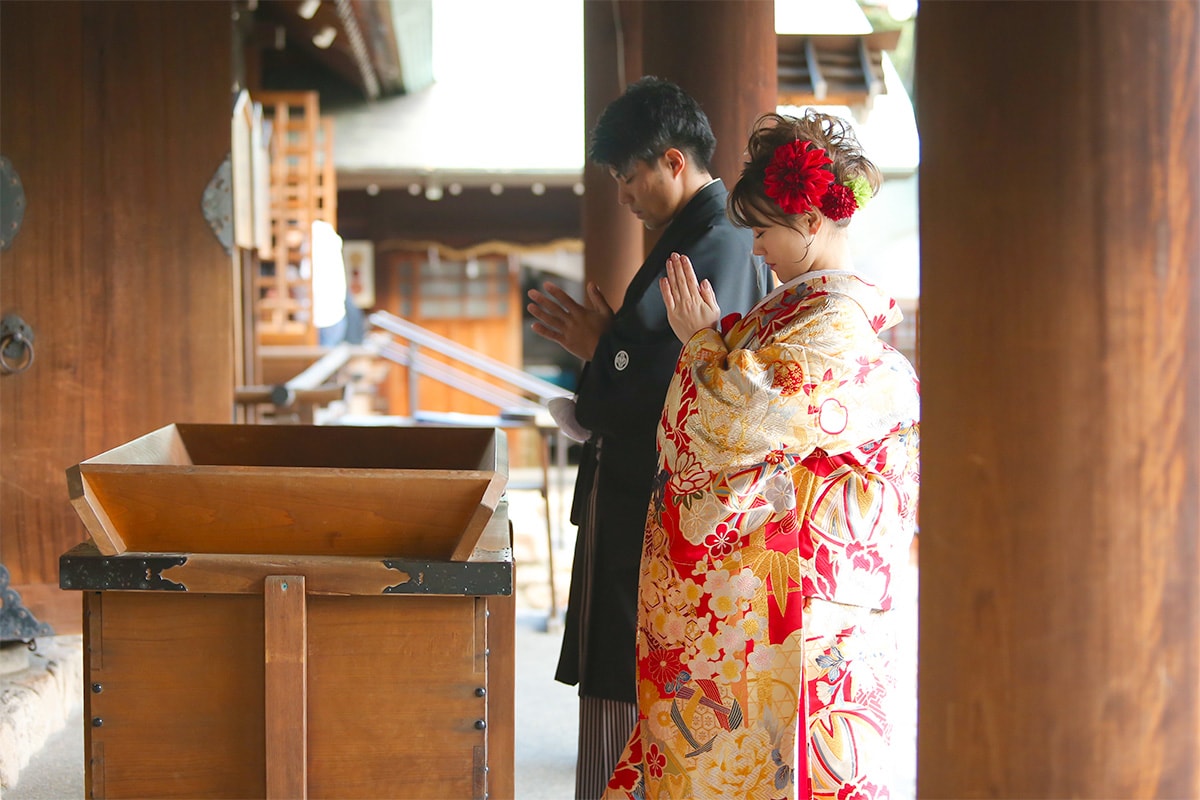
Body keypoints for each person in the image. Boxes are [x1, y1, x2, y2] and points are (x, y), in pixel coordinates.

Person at [601, 110, 921, 800]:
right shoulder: (791, 315)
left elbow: (736, 419)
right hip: (775, 589)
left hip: (801, 601)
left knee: (791, 758)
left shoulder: (837, 326)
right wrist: (715, 343)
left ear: (810, 223)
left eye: (763, 230)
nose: (754, 248)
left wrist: (704, 342)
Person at [526, 76, 772, 799]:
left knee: (638, 672)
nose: (623, 193)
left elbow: (675, 379)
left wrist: (605, 348)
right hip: (644, 494)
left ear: (671, 161)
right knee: (626, 671)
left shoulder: (715, 243)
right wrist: (608, 348)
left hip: (658, 504)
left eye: (628, 175)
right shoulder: (698, 236)